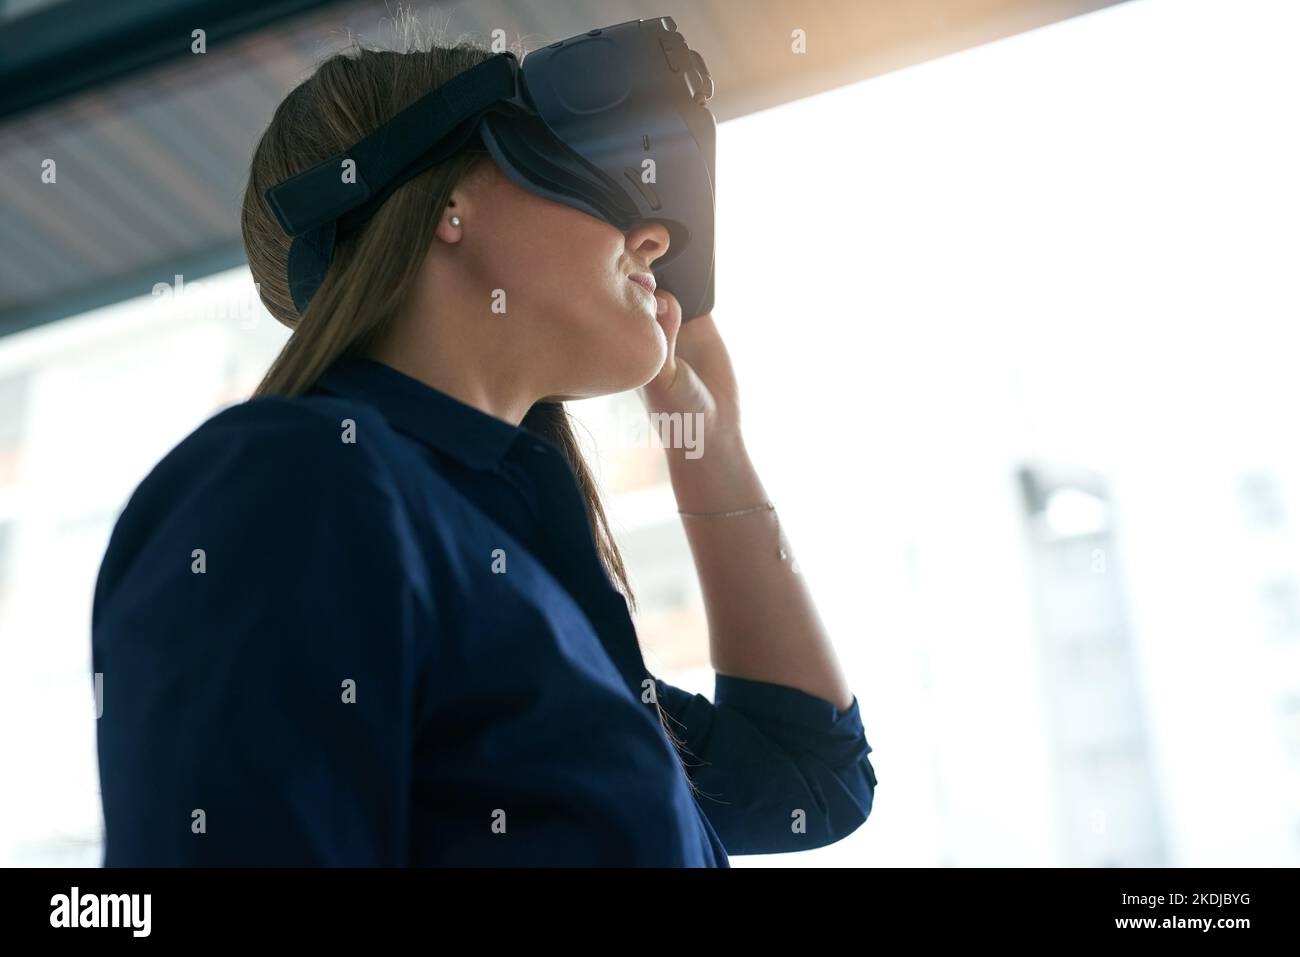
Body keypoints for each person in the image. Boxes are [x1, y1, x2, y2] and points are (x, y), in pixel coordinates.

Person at [92, 25, 877, 867]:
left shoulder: (511, 570)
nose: (653, 234)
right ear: (449, 204)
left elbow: (810, 776)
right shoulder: (289, 486)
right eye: (576, 161)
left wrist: (707, 438)